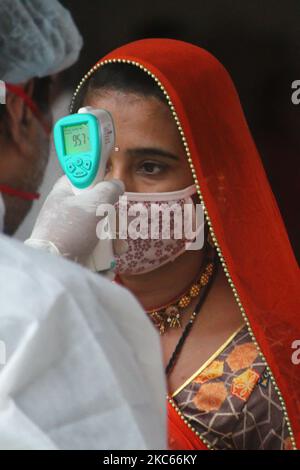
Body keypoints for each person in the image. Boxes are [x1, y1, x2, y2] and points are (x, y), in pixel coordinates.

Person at [53, 38, 298, 450]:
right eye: (98, 163)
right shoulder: (55, 314)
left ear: (212, 182)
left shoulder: (272, 358)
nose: (114, 189)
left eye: (149, 167)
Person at [0, 3, 166, 450]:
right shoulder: (56, 307)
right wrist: (45, 268)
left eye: (150, 165)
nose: (122, 185)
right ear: (19, 112)